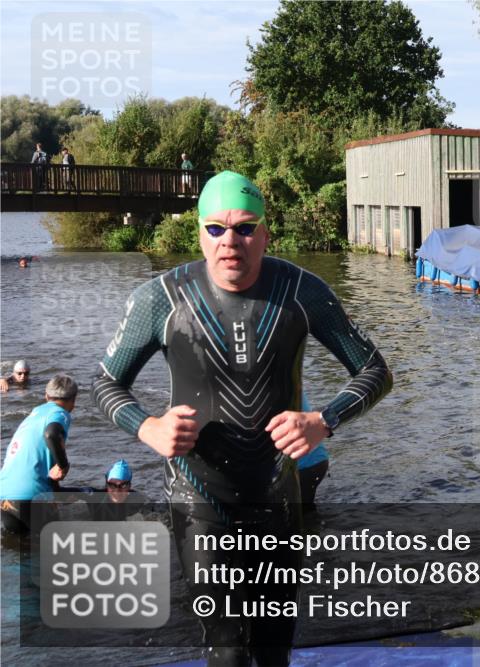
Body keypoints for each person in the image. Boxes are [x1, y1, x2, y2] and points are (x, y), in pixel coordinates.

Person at [92, 170, 392, 666]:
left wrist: (324, 419)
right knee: (226, 650)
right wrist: (149, 427)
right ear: (199, 233)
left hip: (277, 497)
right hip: (199, 501)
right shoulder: (161, 299)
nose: (230, 240)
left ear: (266, 233)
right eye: (215, 228)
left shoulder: (302, 291)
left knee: (275, 648)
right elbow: (106, 382)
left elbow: (375, 371)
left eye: (245, 227)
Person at [0, 375, 77, 534]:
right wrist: (64, 466)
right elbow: (51, 434)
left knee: (19, 551)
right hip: (31, 495)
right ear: (73, 401)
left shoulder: (35, 414)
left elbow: (42, 462)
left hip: (5, 495)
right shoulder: (60, 413)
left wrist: (55, 493)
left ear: (46, 396)